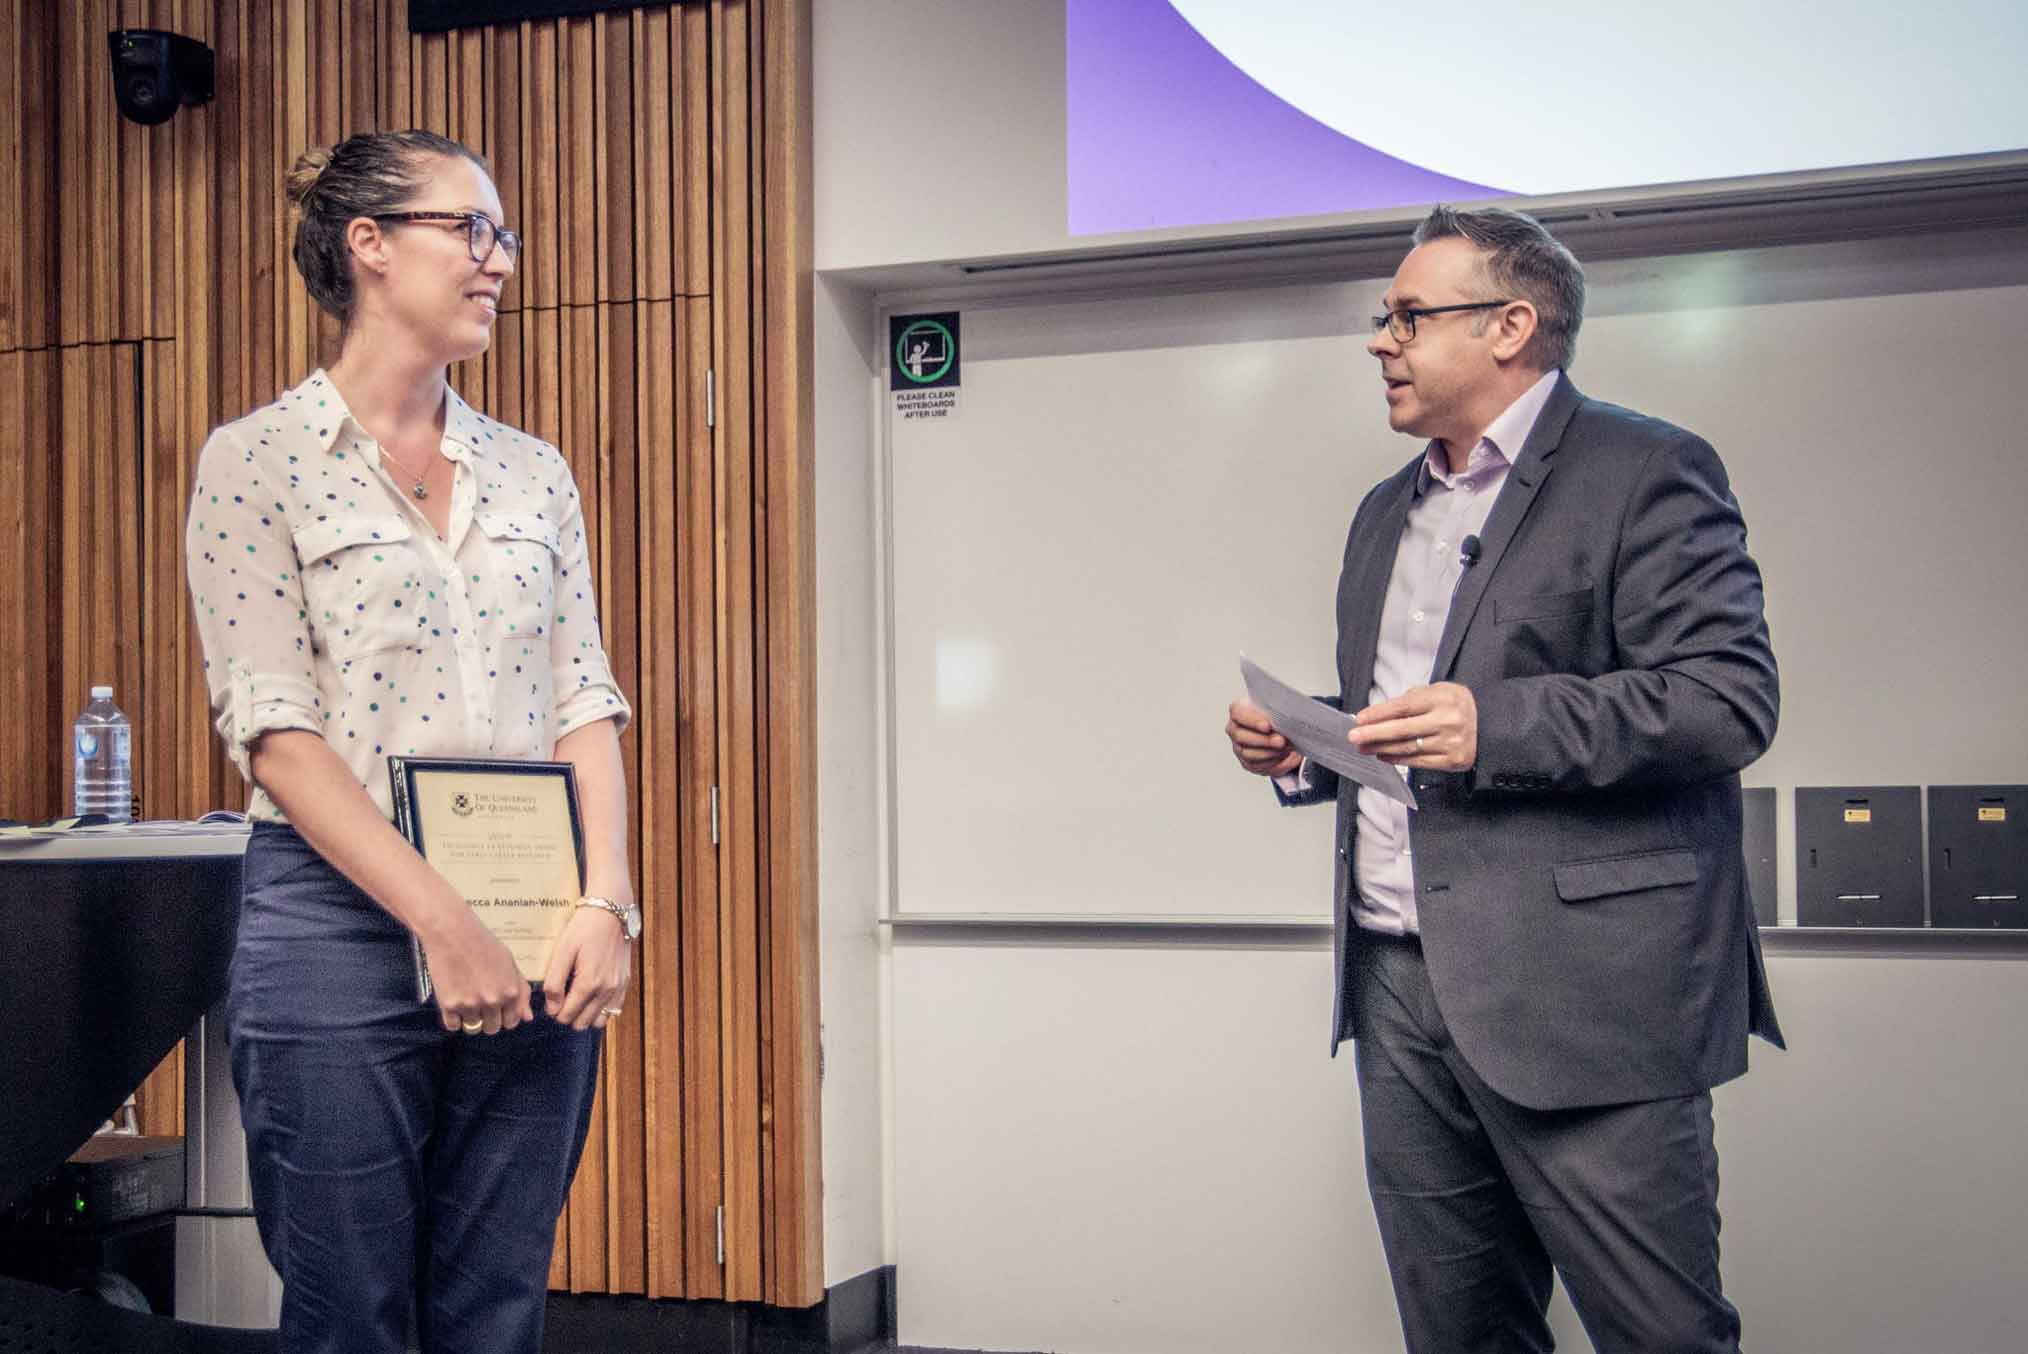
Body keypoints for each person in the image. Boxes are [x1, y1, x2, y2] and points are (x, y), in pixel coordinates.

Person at [1226, 205, 1783, 1353]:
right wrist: (1310, 745)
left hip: (1586, 994)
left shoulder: (1646, 469)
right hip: (1395, 984)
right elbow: (1406, 729)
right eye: (1385, 318)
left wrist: (1495, 726)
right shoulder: (1387, 510)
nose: (1382, 339)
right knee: (1460, 1330)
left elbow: (1726, 699)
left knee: (1660, 1333)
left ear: (1511, 326)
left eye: (1410, 316)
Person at [184, 130, 639, 1353]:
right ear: (369, 246)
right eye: (471, 231)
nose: (498, 263)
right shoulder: (255, 461)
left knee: (495, 1306)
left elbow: (583, 695)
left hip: (533, 906)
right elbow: (276, 734)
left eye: (504, 238)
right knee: (351, 1315)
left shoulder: (534, 473)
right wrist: (442, 920)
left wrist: (607, 901)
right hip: (336, 923)